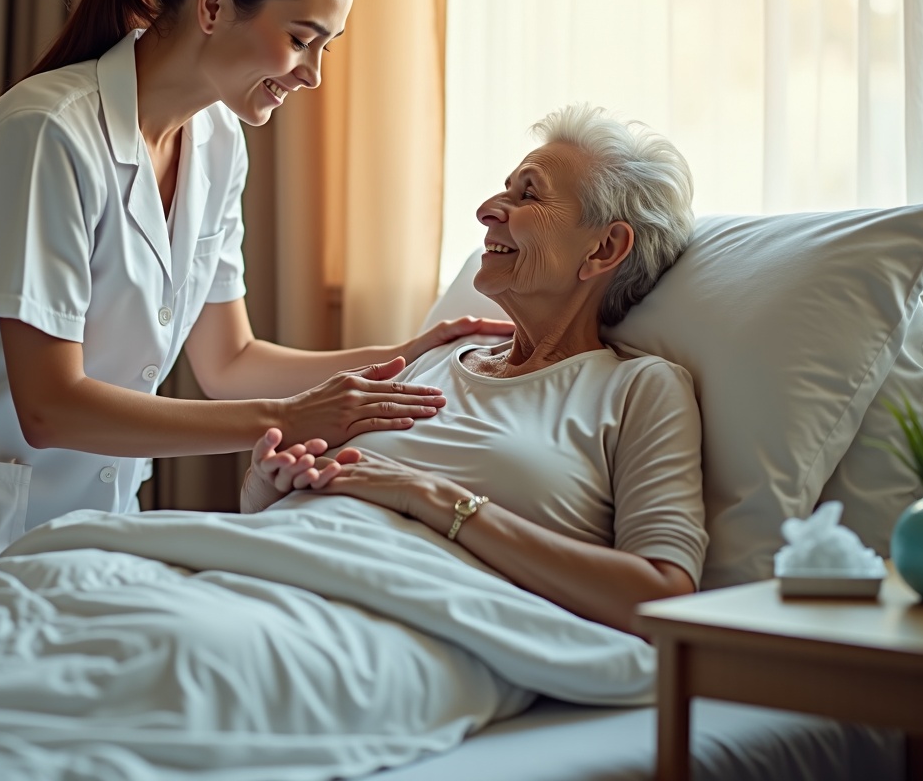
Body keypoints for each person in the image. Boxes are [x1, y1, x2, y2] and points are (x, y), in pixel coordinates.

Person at [0, 0, 509, 579]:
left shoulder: (217, 143)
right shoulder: (46, 135)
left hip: (83, 525)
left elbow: (230, 362)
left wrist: (405, 355)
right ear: (214, 3)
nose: (310, 75)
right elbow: (49, 405)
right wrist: (291, 415)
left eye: (325, 49)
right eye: (301, 40)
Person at [243, 105, 707, 636]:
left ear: (604, 248)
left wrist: (432, 498)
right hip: (264, 572)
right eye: (503, 190)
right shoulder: (437, 360)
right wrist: (268, 485)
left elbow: (661, 595)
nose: (487, 210)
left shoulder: (638, 390)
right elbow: (276, 511)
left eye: (528, 194)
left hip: (392, 623)